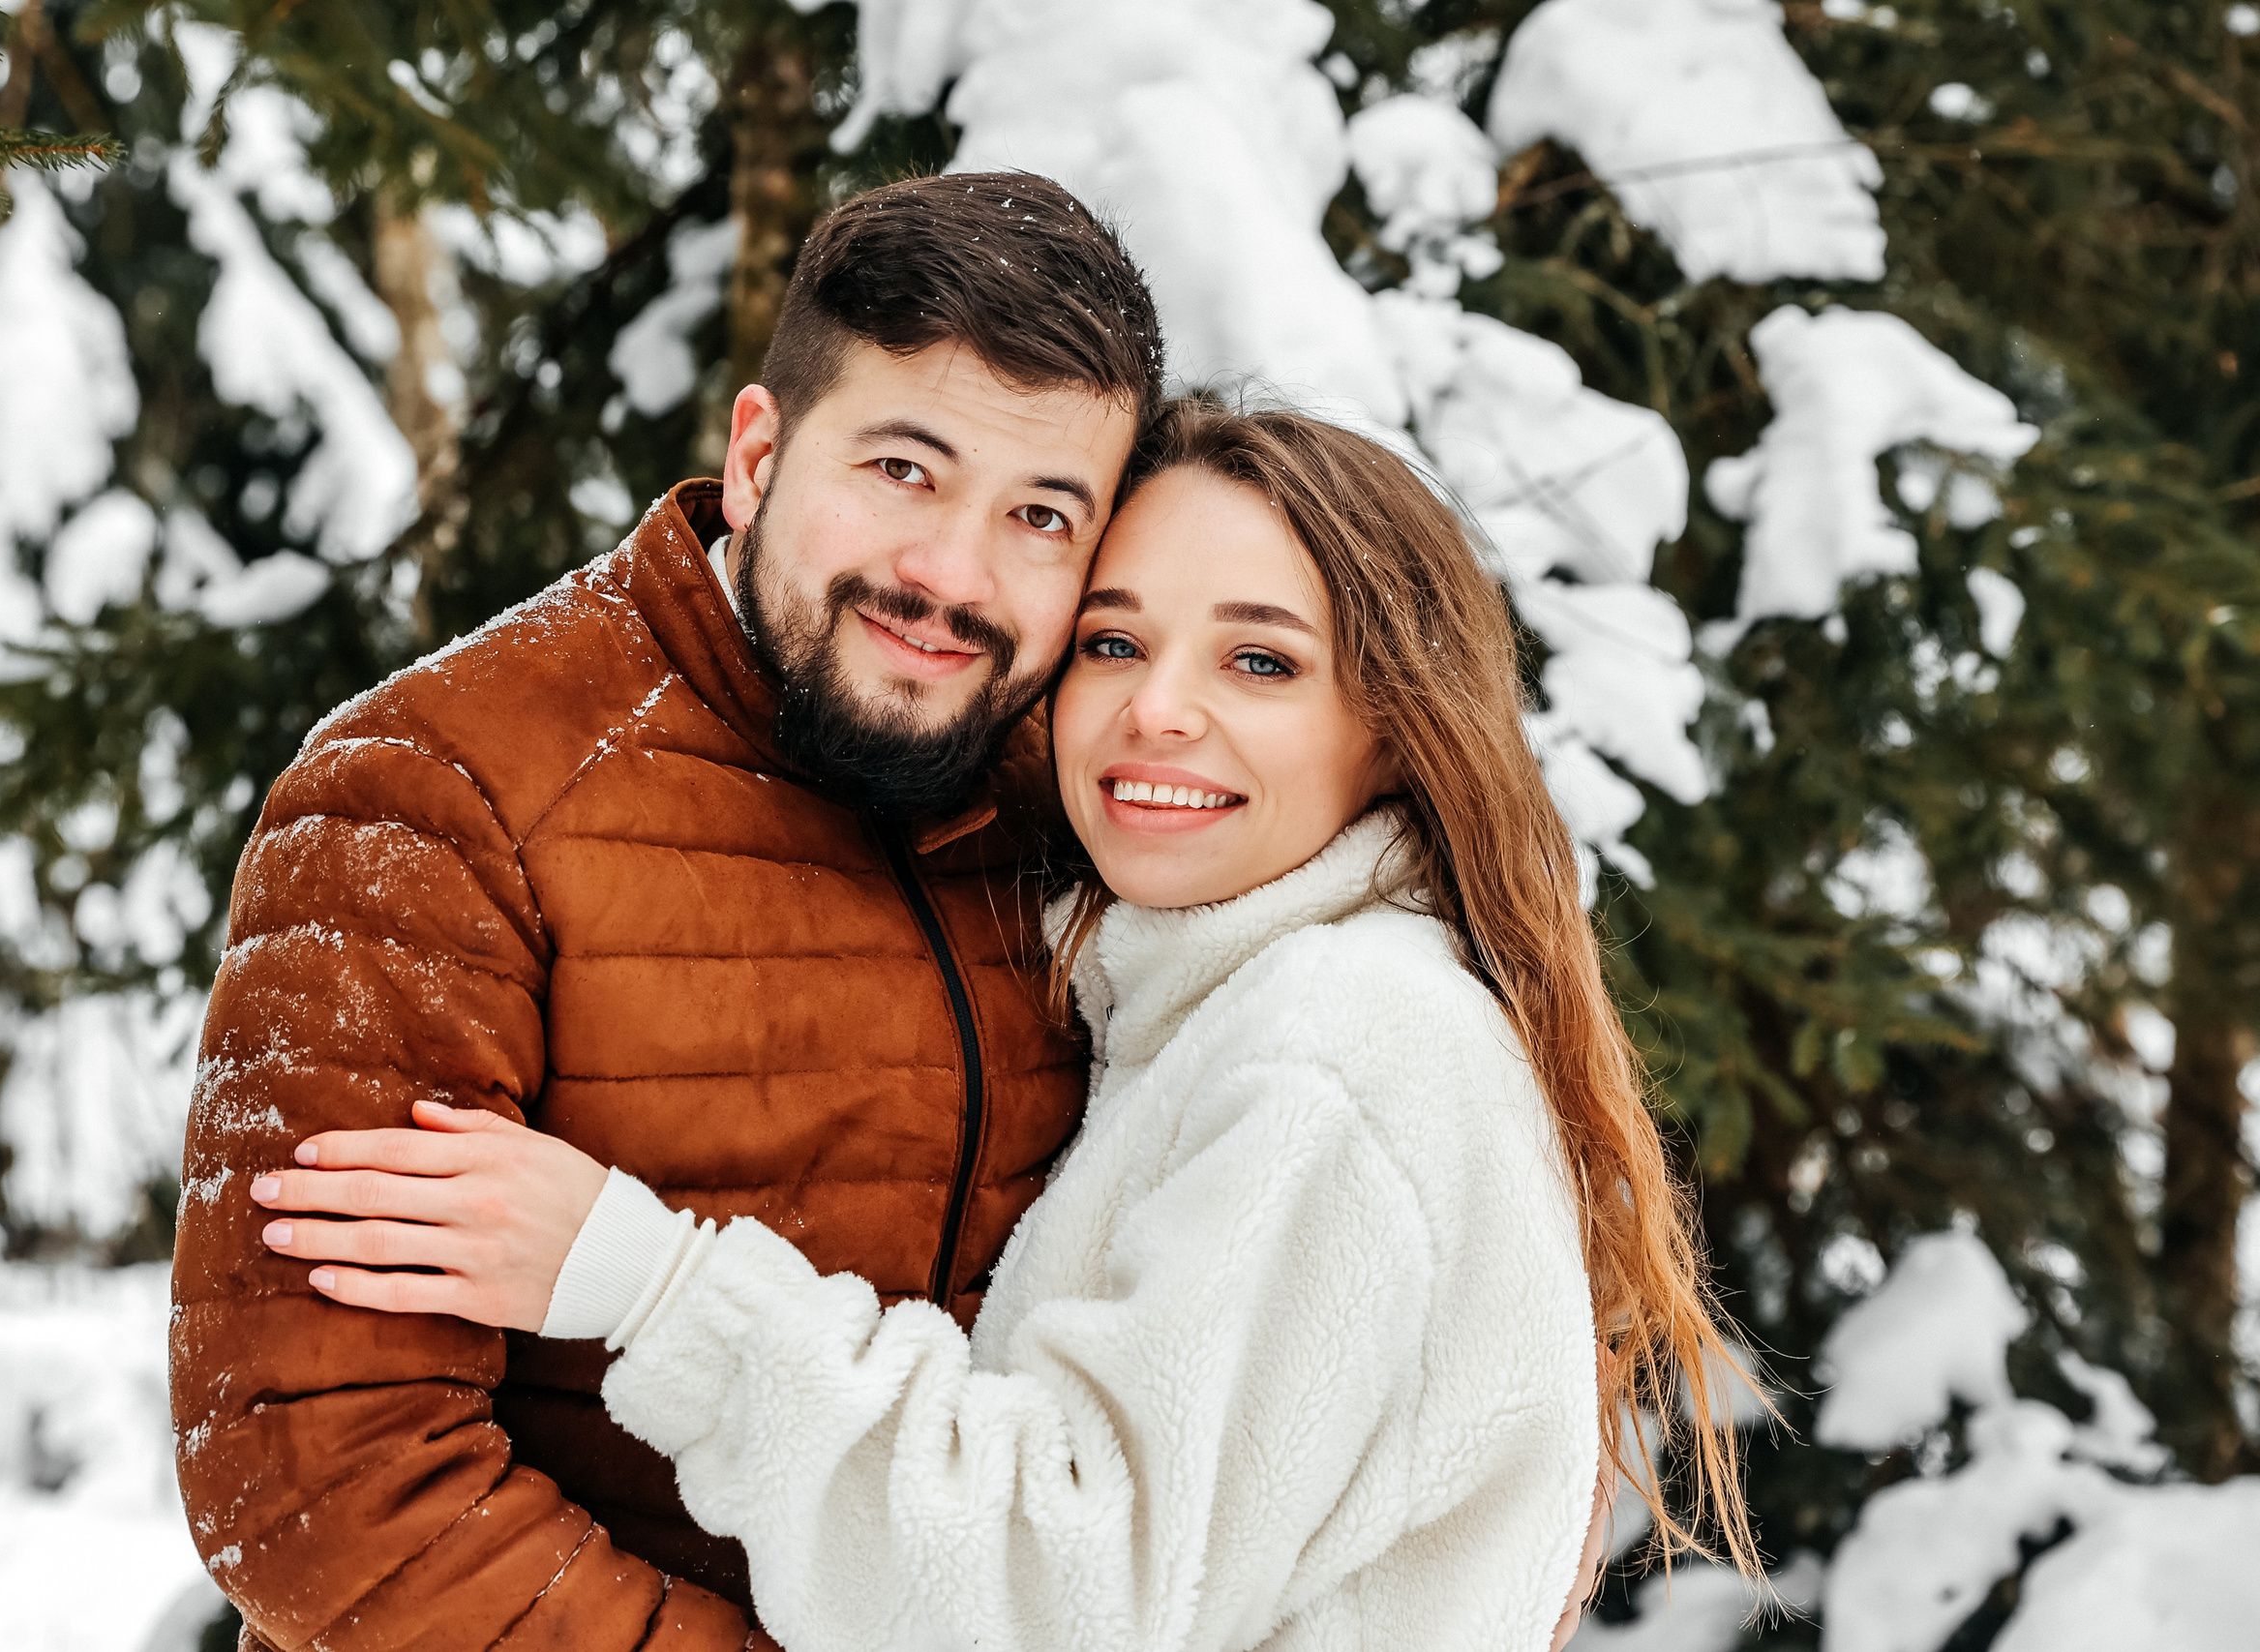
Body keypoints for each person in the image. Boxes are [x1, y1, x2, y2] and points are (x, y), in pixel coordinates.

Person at [249, 400, 1758, 1651]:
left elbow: (1061, 1599)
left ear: (1394, 721)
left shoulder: (1338, 1056)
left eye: (1259, 660)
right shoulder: (1219, 1004)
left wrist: (654, 1292)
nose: (1159, 709)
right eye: (1113, 642)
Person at [170, 170, 1162, 1652]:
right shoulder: (438, 795)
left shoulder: (1081, 818)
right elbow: (319, 1484)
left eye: (1039, 514)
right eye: (903, 468)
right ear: (758, 454)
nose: (952, 575)